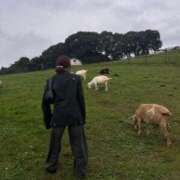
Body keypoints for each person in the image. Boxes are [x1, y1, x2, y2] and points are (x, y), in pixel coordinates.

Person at [42, 55, 88, 179]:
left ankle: (51, 166)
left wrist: (48, 121)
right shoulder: (77, 79)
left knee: (54, 144)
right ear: (69, 66)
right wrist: (82, 118)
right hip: (75, 116)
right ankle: (80, 172)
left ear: (57, 66)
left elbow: (45, 104)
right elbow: (81, 100)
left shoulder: (51, 80)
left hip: (58, 116)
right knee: (78, 145)